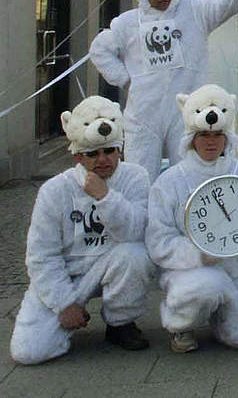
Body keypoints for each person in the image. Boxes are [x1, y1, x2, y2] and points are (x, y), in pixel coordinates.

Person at [88, 0, 238, 182]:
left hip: (184, 108)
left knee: (188, 173)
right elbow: (99, 50)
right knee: (140, 174)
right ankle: (143, 218)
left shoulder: (194, 11)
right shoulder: (128, 23)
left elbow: (225, 4)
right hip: (144, 111)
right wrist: (126, 79)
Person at [10, 96, 153, 364]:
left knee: (136, 254)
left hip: (111, 263)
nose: (103, 160)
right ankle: (65, 319)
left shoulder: (135, 177)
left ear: (120, 148)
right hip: (68, 274)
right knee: (29, 353)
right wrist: (63, 303)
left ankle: (120, 322)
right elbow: (41, 255)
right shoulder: (54, 190)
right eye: (92, 154)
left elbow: (136, 232)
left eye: (110, 151)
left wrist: (105, 198)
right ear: (77, 155)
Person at [146, 84, 238, 353]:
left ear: (227, 137)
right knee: (208, 286)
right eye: (203, 135)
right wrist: (198, 255)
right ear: (191, 137)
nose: (210, 141)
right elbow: (159, 241)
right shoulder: (170, 181)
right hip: (193, 272)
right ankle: (181, 324)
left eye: (217, 135)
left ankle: (224, 314)